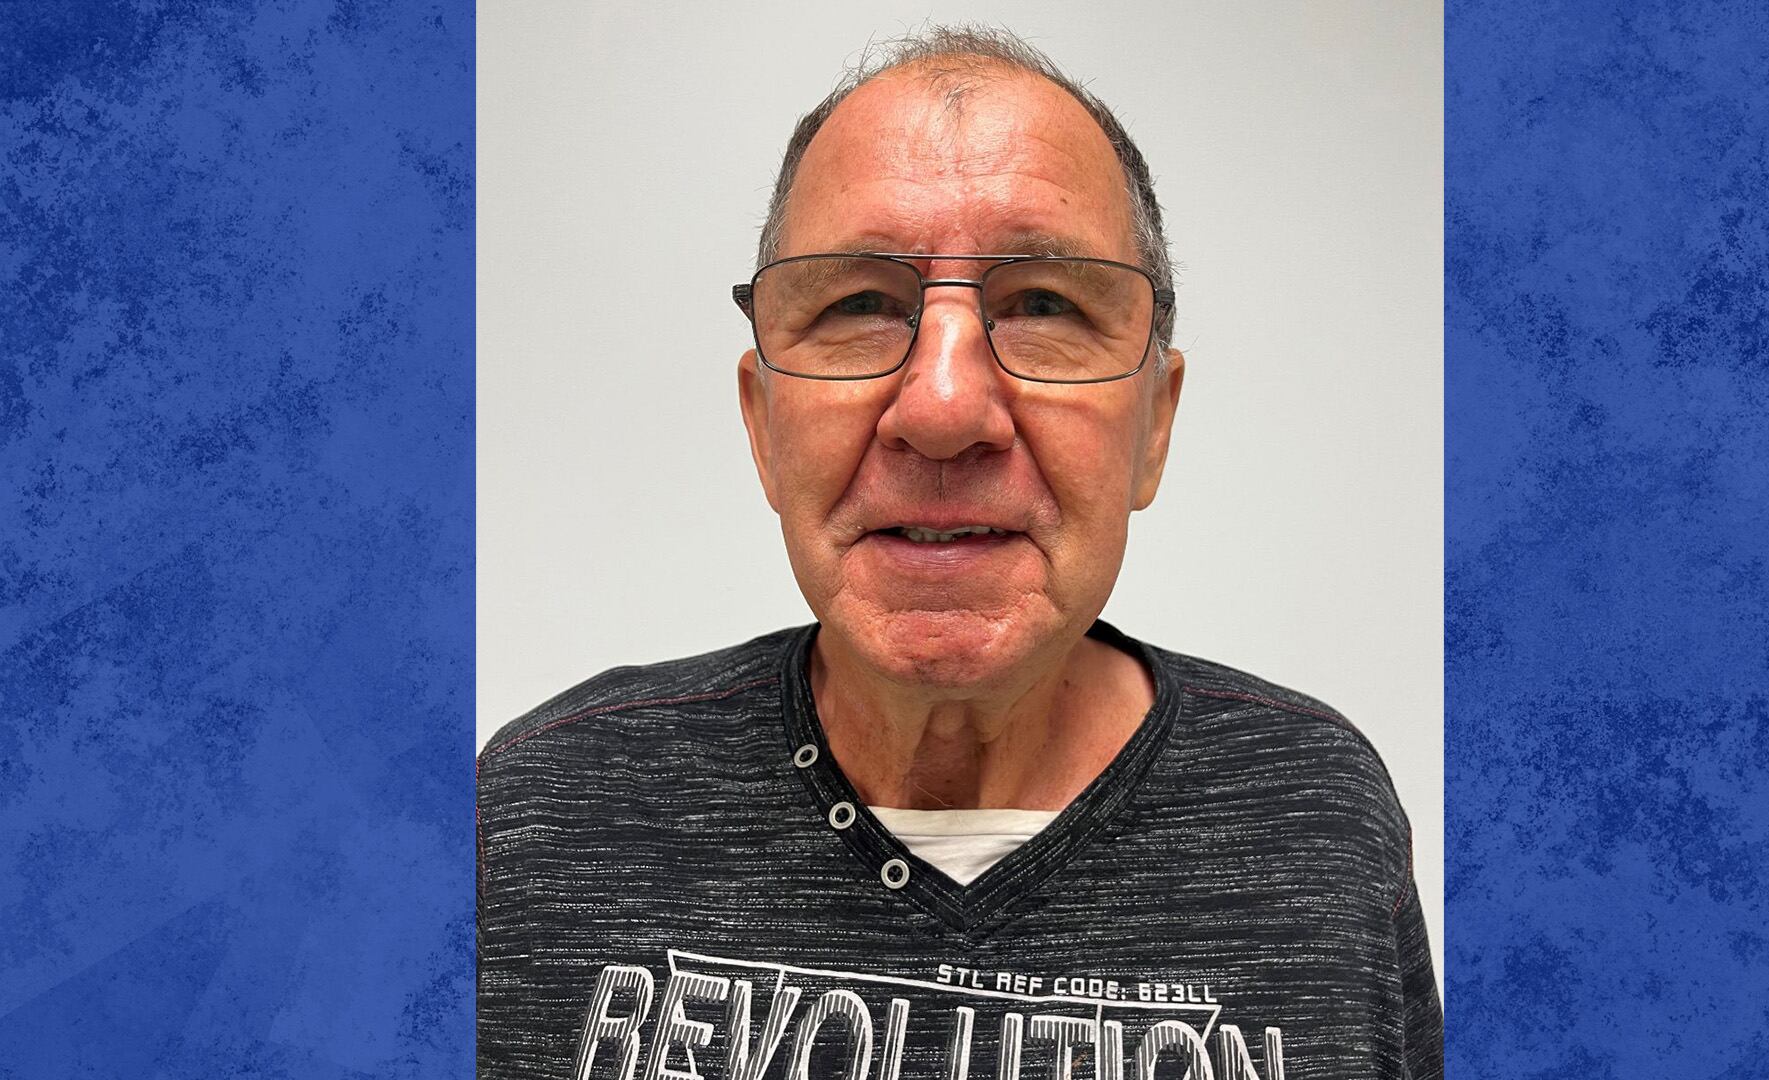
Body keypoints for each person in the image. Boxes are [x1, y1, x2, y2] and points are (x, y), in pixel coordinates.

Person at [479, 26, 1441, 1080]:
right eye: (858, 305)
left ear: (1154, 426)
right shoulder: (538, 816)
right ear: (763, 424)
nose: (942, 408)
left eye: (1044, 306)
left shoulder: (1318, 818)